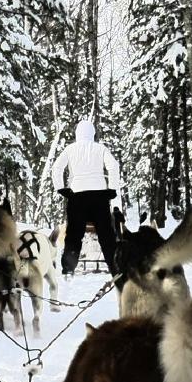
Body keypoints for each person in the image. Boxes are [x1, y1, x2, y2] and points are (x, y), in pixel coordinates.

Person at [49, 118, 123, 275]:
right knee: (106, 235)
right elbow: (114, 166)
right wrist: (112, 189)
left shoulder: (70, 149)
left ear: (77, 134)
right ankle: (115, 268)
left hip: (77, 197)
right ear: (93, 134)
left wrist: (61, 188)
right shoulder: (100, 148)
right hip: (100, 197)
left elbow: (56, 167)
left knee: (74, 235)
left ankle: (68, 269)